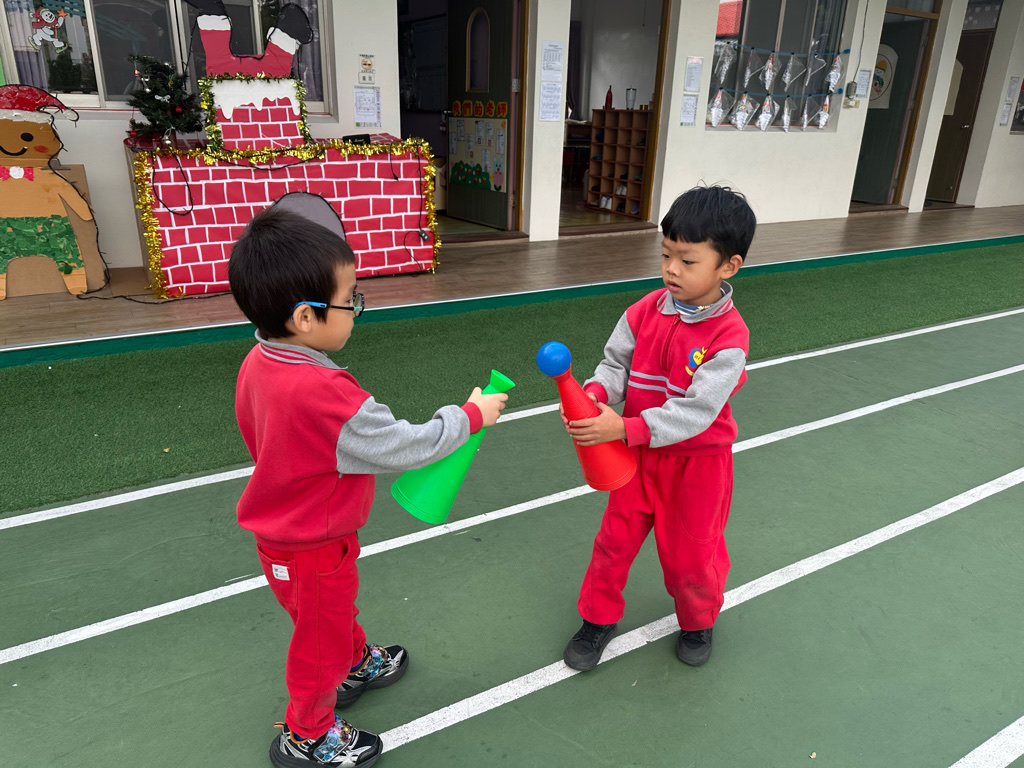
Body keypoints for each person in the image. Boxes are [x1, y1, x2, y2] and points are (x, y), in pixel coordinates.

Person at [228, 203, 507, 767]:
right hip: (311, 542)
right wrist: (470, 417)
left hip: (293, 536)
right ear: (305, 318)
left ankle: (354, 662)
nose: (356, 310)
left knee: (329, 617)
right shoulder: (323, 393)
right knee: (318, 644)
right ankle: (308, 734)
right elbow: (407, 445)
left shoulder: (260, 359)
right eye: (350, 300)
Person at [561, 185, 755, 671]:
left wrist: (622, 428)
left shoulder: (729, 338)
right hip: (636, 459)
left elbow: (695, 413)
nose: (671, 269)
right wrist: (595, 395)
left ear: (729, 266)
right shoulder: (643, 311)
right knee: (612, 544)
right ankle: (597, 619)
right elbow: (615, 365)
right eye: (666, 255)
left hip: (697, 468)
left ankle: (698, 620)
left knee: (692, 557)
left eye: (687, 261)